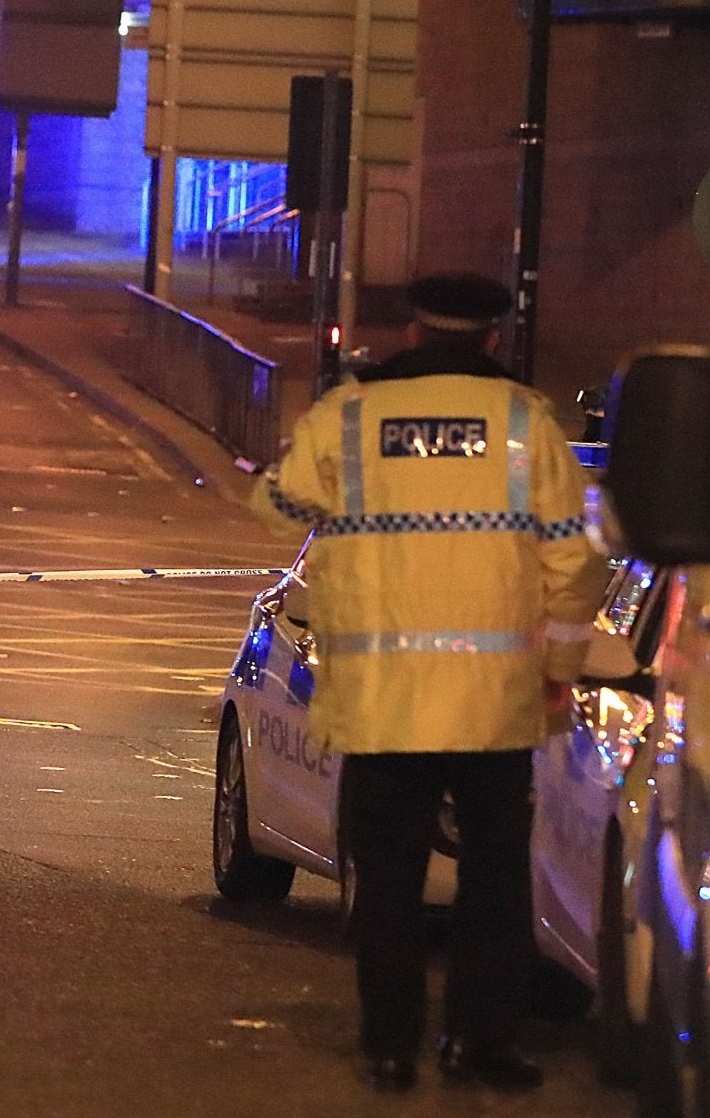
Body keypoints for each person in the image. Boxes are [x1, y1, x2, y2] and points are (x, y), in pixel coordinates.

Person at [248, 272, 605, 1095]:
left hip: (380, 698)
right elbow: (575, 560)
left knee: (388, 880)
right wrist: (558, 669)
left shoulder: (350, 415)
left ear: (412, 333)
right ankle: (476, 1042)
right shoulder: (526, 424)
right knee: (491, 879)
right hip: (493, 700)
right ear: (490, 339)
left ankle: (387, 1046)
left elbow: (273, 505)